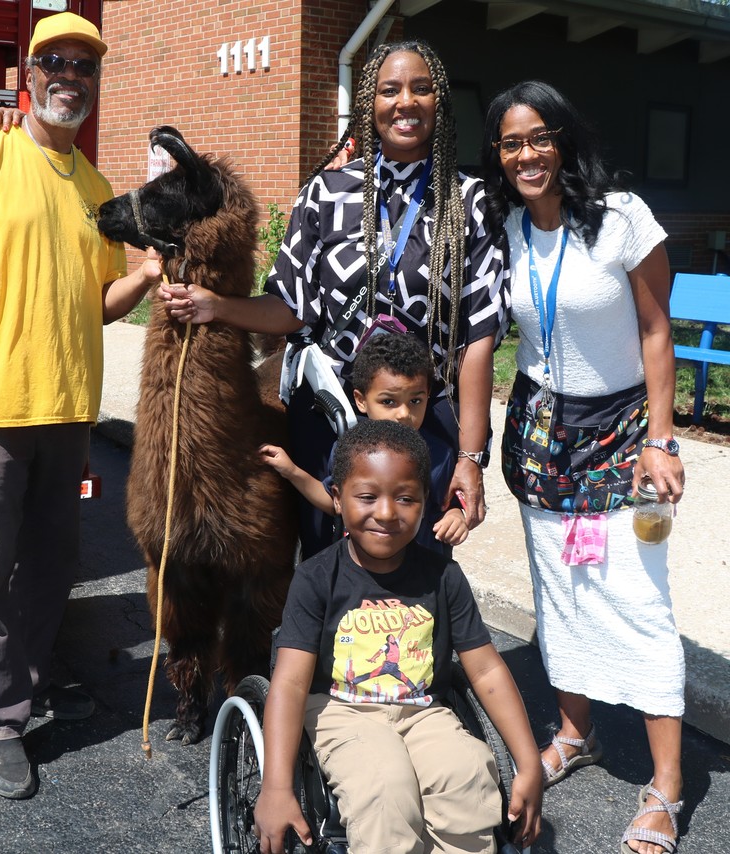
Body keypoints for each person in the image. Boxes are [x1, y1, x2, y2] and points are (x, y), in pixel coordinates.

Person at [0, 13, 164, 799]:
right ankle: (1, 721)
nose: (71, 77)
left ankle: (37, 679)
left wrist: (145, 279)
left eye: (85, 66)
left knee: (52, 567)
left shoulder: (95, 187)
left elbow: (97, 306)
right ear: (28, 76)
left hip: (65, 412)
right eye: (56, 63)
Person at [162, 39, 507, 558]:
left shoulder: (470, 202)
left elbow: (478, 339)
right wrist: (218, 306)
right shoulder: (326, 193)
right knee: (330, 567)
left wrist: (471, 457)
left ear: (440, 101)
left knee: (419, 573)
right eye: (389, 90)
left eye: (421, 88)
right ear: (369, 103)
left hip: (423, 420)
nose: (405, 102)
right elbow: (291, 306)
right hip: (331, 417)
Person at [481, 81, 685, 854]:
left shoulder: (622, 218)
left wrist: (661, 440)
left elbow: (656, 328)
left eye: (538, 137)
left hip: (625, 428)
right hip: (541, 435)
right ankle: (576, 730)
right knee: (560, 590)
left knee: (636, 598)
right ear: (497, 157)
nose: (526, 154)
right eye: (510, 142)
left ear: (563, 139)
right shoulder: (503, 228)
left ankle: (666, 784)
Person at [253, 419, 542, 854]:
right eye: (367, 497)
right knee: (385, 785)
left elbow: (485, 669)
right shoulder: (316, 578)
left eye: (405, 498)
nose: (386, 512)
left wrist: (529, 762)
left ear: (425, 504)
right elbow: (291, 682)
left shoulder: (443, 577)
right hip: (340, 710)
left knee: (468, 775)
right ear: (337, 497)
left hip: (423, 711)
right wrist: (276, 786)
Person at [260, 330, 468, 553]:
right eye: (389, 401)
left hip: (422, 575)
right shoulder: (350, 449)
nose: (404, 413)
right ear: (360, 401)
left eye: (415, 400)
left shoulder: (440, 454)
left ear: (428, 396)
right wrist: (292, 471)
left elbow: (450, 504)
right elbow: (334, 502)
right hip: (361, 572)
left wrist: (457, 516)